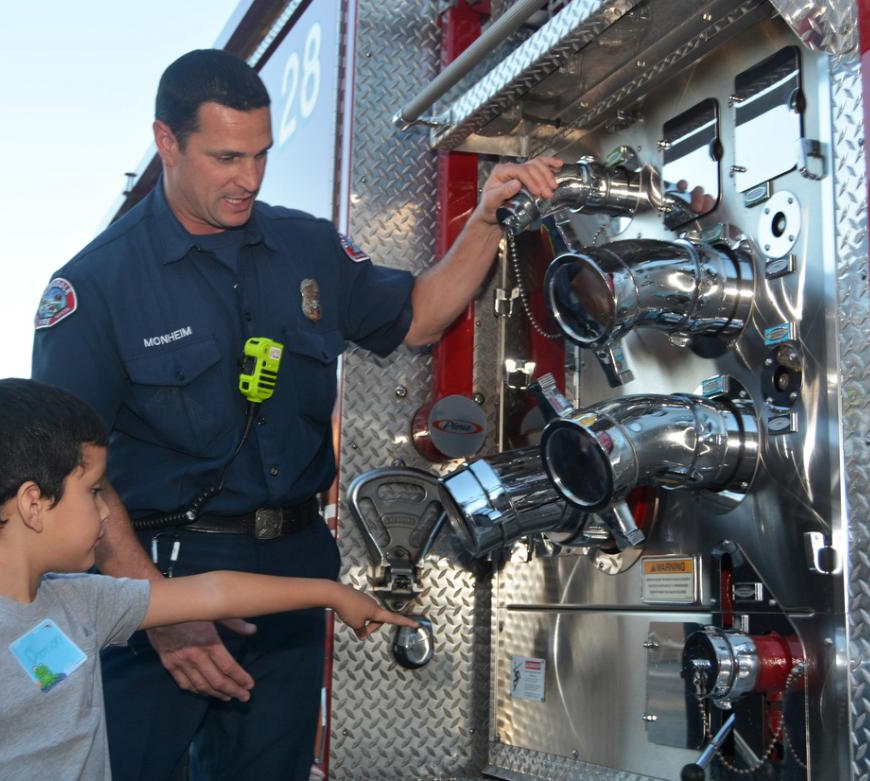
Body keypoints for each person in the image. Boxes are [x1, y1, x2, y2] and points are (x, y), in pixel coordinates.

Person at [30, 48, 561, 780]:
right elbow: (70, 471)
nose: (248, 177)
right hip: (167, 570)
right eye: (224, 157)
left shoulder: (305, 246)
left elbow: (417, 316)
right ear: (166, 142)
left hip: (293, 567)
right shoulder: (95, 284)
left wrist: (489, 222)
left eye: (260, 154)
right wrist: (158, 608)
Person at [0, 379, 414, 781]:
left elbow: (211, 591)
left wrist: (333, 593)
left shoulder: (77, 601)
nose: (106, 512)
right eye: (94, 490)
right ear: (33, 503)